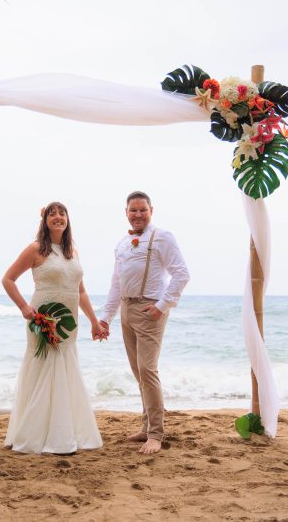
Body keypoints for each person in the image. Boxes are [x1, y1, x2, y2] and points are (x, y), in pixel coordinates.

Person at [1, 202, 104, 454]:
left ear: (67, 219)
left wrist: (94, 320)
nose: (58, 217)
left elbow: (80, 290)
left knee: (65, 371)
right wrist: (25, 308)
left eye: (62, 213)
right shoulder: (36, 248)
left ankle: (63, 432)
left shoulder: (73, 252)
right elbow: (8, 279)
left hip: (69, 322)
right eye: (52, 214)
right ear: (45, 220)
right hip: (43, 319)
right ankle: (37, 435)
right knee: (45, 369)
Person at [99, 191, 190, 455]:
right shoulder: (121, 244)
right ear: (126, 212)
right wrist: (106, 317)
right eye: (133, 210)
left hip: (150, 309)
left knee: (148, 371)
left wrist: (162, 306)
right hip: (127, 308)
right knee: (139, 373)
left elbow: (182, 274)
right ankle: (146, 425)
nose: (138, 214)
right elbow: (116, 284)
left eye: (142, 210)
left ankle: (156, 434)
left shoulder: (162, 237)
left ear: (151, 210)